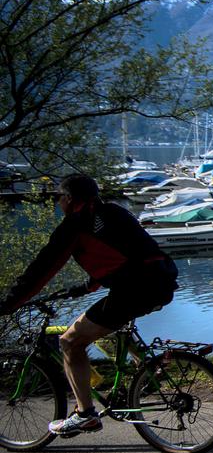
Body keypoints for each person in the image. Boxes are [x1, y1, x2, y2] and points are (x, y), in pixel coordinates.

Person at [0, 174, 179, 436]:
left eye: (59, 197)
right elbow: (125, 254)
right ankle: (149, 367)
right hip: (162, 281)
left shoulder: (75, 226)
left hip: (134, 289)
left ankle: (85, 414)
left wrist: (9, 304)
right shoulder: (114, 212)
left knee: (70, 342)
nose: (58, 202)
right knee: (106, 324)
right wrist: (86, 287)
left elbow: (41, 270)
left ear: (70, 199)